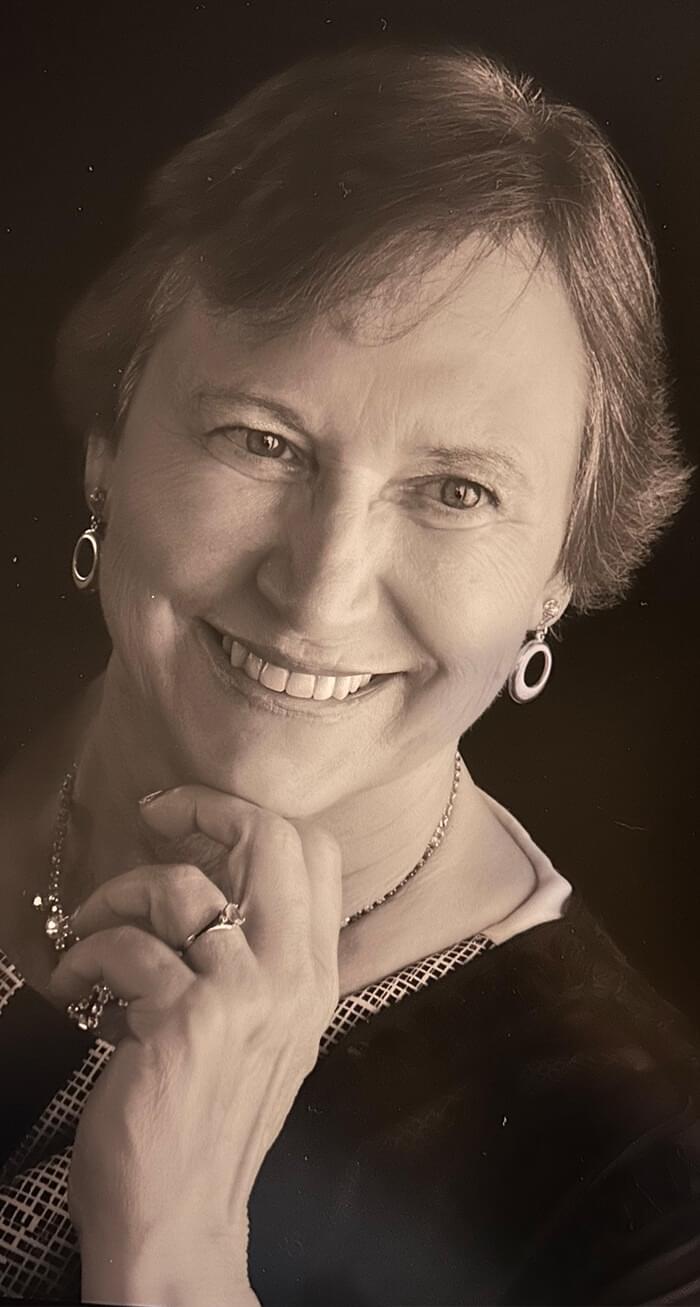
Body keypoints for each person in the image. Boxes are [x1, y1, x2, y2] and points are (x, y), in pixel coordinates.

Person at [0, 41, 698, 1307]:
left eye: (456, 491)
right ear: (110, 438)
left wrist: (174, 1252)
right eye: (262, 439)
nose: (320, 588)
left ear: (558, 572)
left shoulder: (644, 1209)